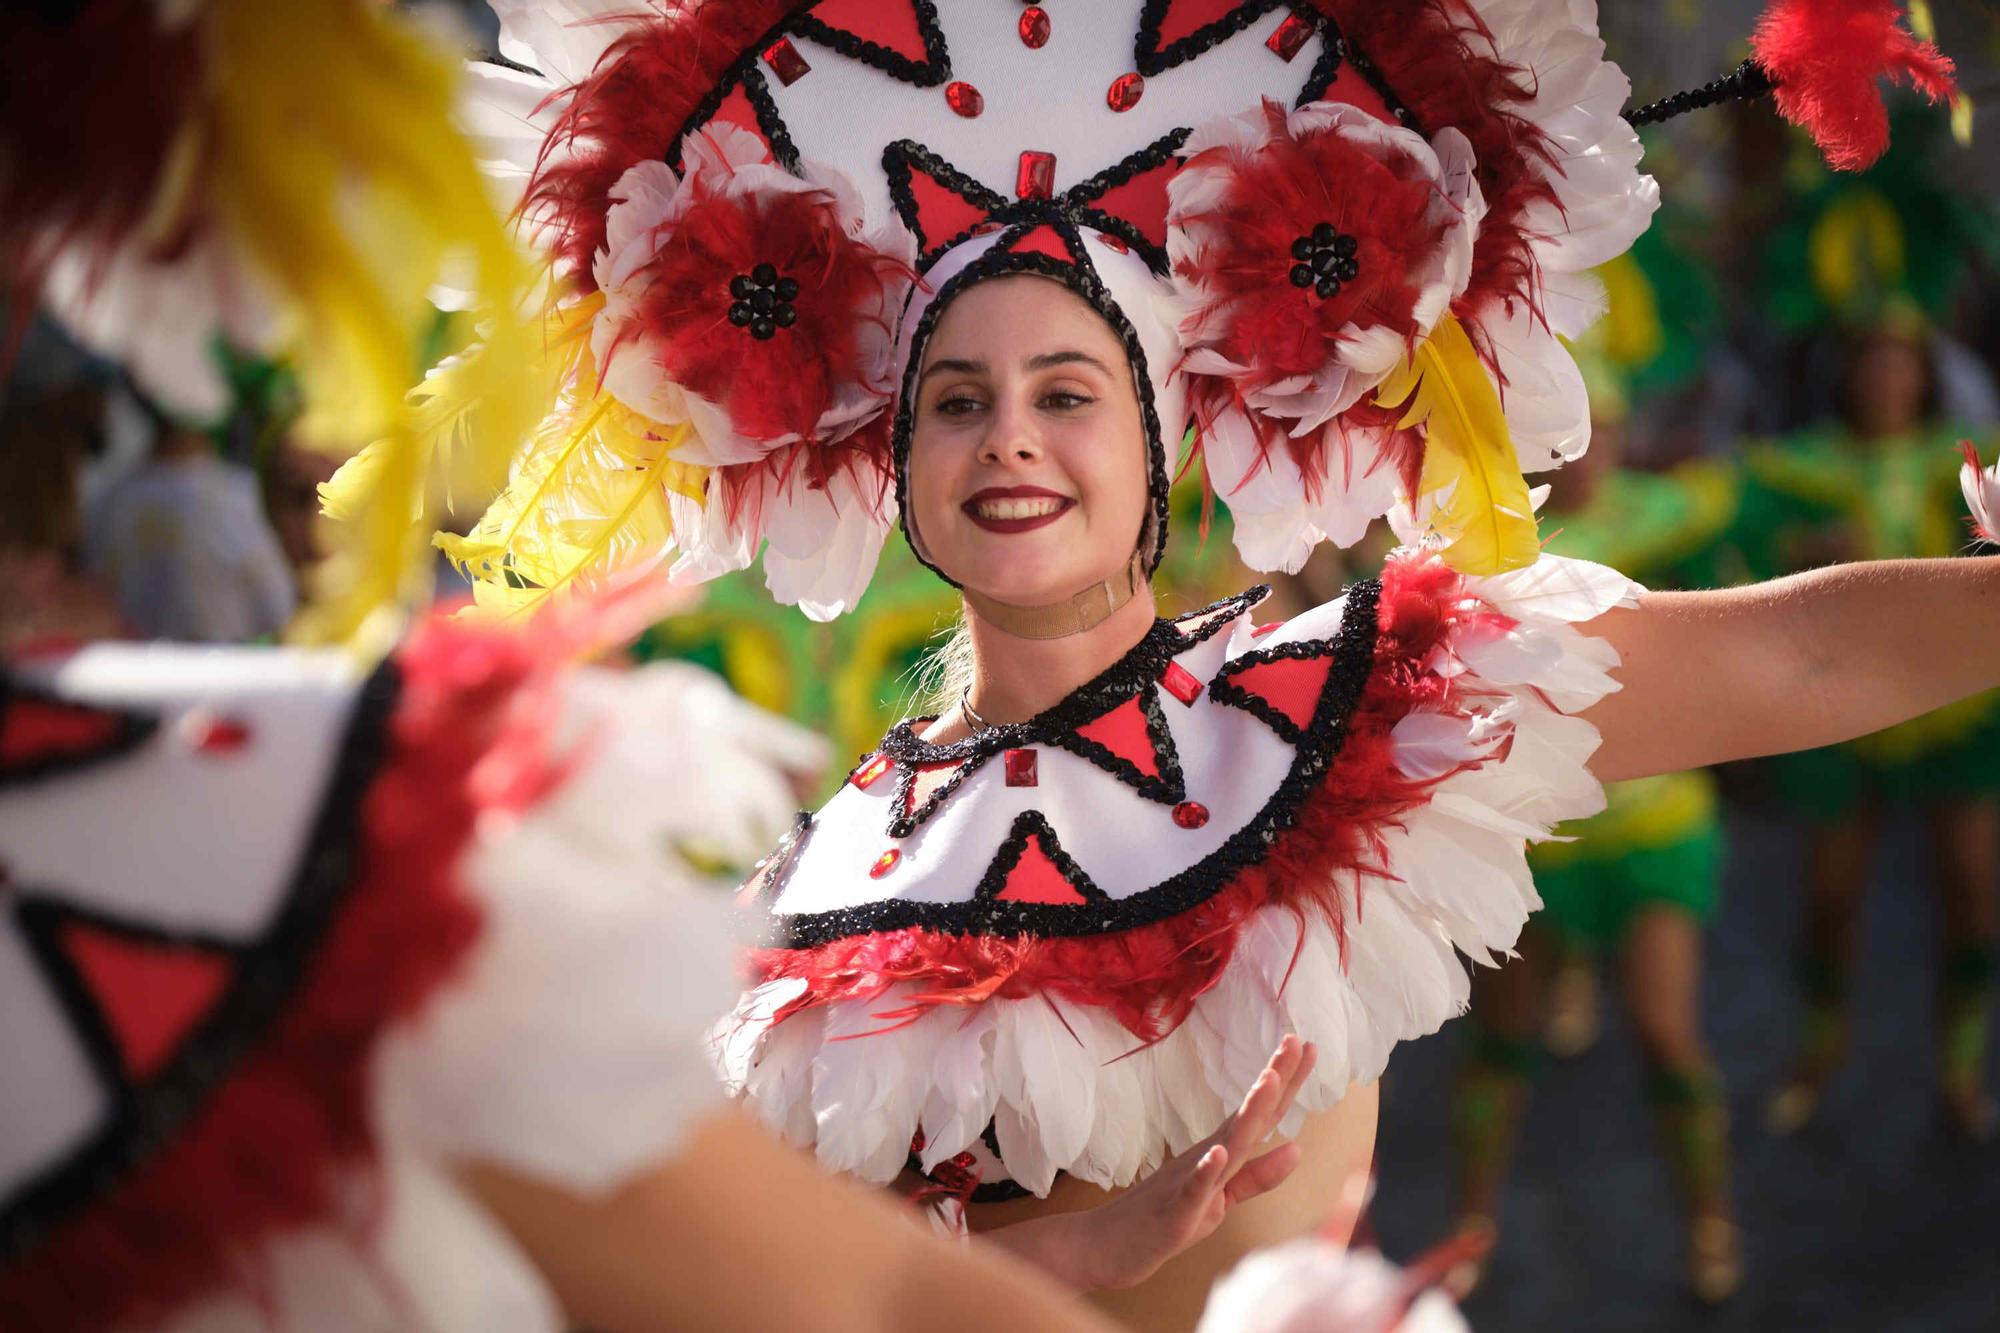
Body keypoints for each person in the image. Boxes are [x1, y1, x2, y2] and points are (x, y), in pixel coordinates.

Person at [437, 3, 1969, 1328]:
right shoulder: (817, 886)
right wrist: (1064, 1253)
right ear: (903, 471)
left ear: (1160, 461)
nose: (1011, 435)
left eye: (1067, 391)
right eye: (957, 401)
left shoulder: (1350, 714)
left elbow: (1805, 653)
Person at [1734, 316, 2000, 1140]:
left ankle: (1960, 1065)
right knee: (1830, 894)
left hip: (1956, 712)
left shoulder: (1972, 462)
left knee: (1971, 889)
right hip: (1844, 711)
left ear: (1928, 373)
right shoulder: (1797, 469)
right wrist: (1808, 551)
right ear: (1844, 374)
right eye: (1871, 358)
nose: (1887, 376)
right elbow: (1740, 553)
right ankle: (1821, 1046)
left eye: (1903, 359)